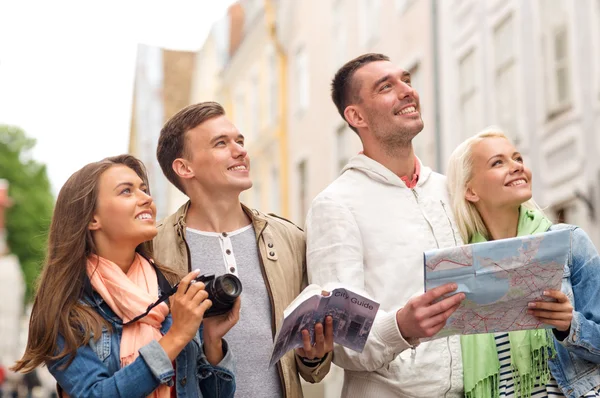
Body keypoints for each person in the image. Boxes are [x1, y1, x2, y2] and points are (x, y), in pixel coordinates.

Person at [305, 52, 466, 397]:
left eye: (406, 80)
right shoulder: (335, 204)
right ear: (356, 115)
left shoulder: (449, 189)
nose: (407, 90)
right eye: (386, 87)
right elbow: (342, 337)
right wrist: (401, 327)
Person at [11, 155, 238, 398]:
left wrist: (212, 341)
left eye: (143, 189)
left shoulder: (173, 289)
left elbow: (214, 394)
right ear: (91, 218)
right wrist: (176, 337)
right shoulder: (68, 309)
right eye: (126, 191)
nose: (147, 198)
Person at [154, 101, 333, 398]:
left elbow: (311, 369)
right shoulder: (153, 248)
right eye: (221, 143)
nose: (240, 151)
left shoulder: (289, 238)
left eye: (239, 141)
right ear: (184, 168)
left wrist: (314, 355)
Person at [447, 128, 600, 398]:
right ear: (470, 190)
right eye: (498, 162)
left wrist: (569, 326)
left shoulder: (570, 243)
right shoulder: (460, 270)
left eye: (517, 158)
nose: (516, 167)